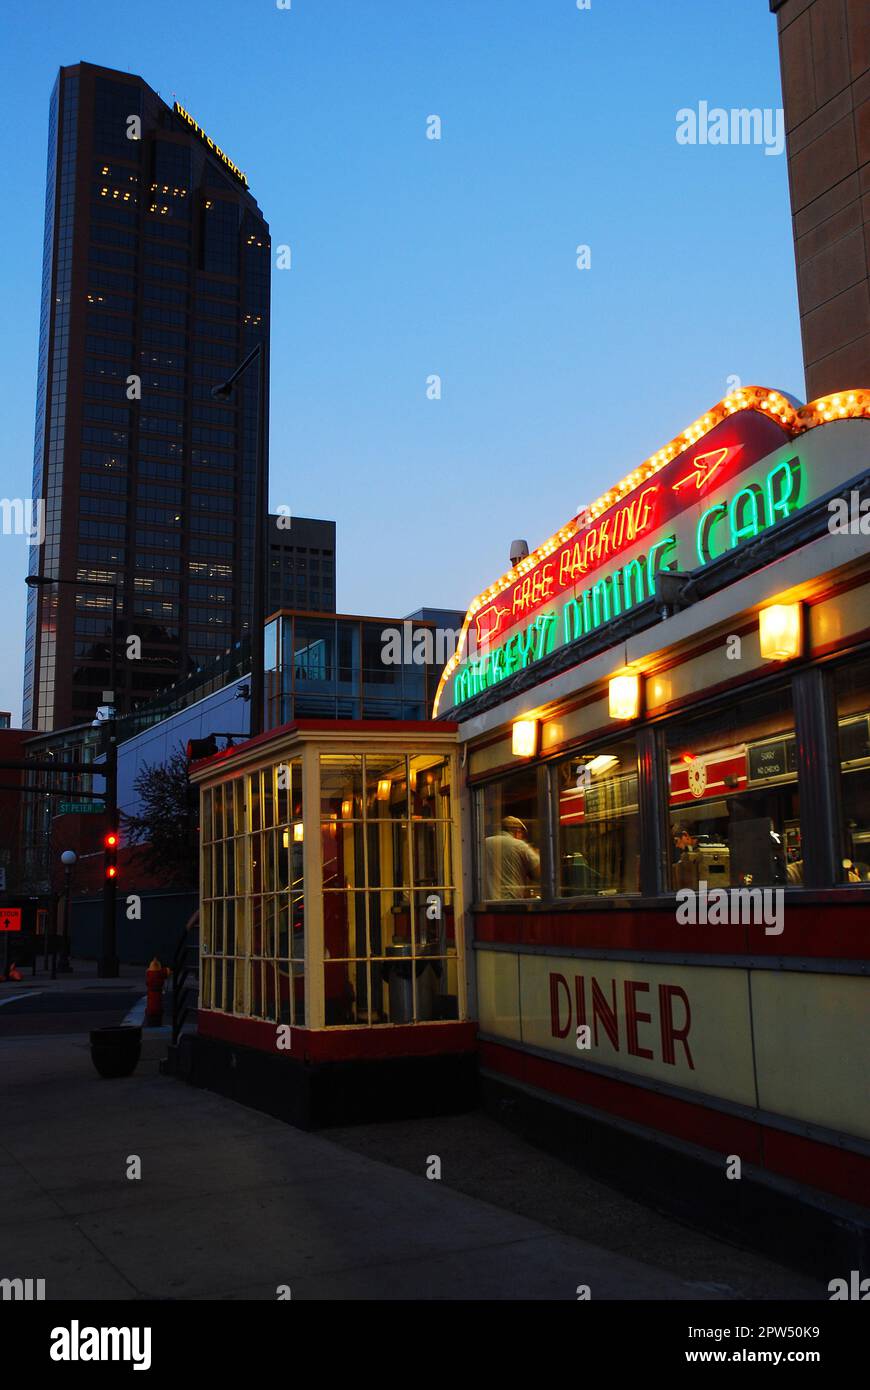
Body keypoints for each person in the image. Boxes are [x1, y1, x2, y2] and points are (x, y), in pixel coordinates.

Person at [485, 816, 540, 900]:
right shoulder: (519, 845)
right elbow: (539, 872)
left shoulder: (484, 843)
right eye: (522, 834)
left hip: (487, 903)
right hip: (511, 903)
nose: (522, 837)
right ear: (517, 831)